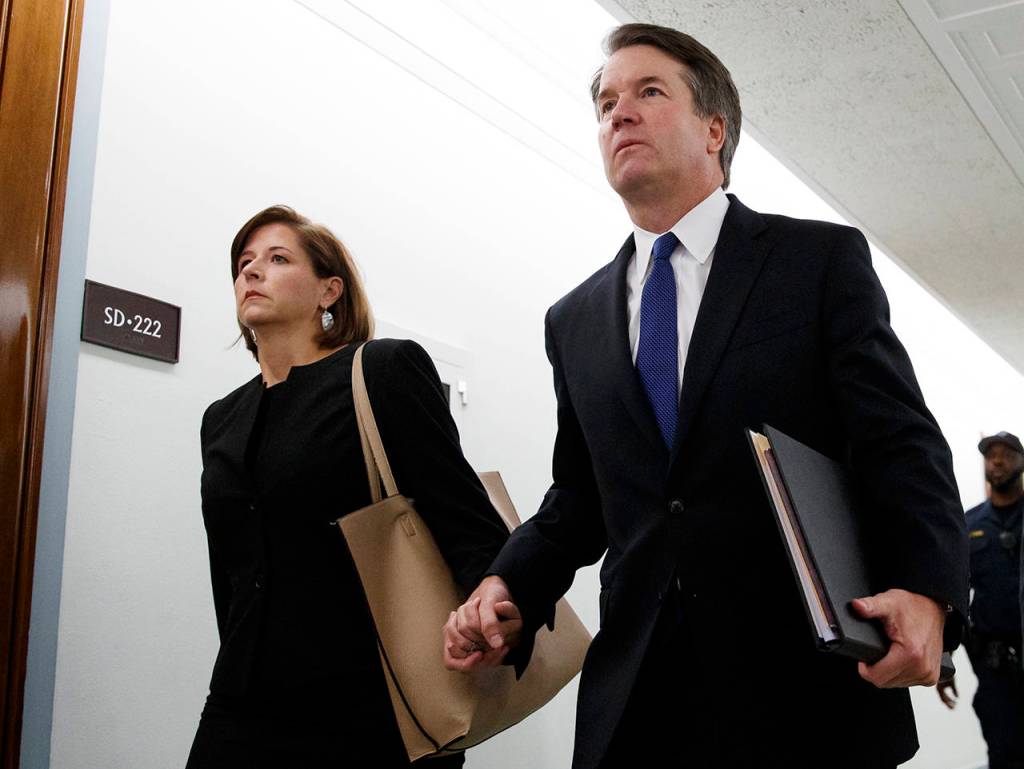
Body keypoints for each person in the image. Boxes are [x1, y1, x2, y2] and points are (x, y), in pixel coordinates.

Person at [442, 22, 969, 769]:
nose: (618, 112)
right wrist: (506, 582)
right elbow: (581, 497)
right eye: (605, 102)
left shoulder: (816, 264)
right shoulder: (576, 318)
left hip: (802, 691)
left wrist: (928, 590)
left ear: (715, 128)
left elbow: (900, 443)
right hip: (638, 697)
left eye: (648, 92)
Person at [186, 205, 510, 768]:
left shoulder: (380, 371)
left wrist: (494, 608)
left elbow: (465, 519)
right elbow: (233, 570)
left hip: (372, 708)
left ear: (329, 290)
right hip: (242, 702)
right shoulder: (222, 418)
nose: (251, 272)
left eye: (277, 258)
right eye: (243, 263)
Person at [937, 432, 1024, 769]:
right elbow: (953, 595)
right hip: (996, 670)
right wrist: (944, 659)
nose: (997, 461)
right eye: (991, 455)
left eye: (1006, 454)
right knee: (1004, 753)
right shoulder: (969, 524)